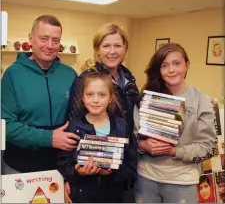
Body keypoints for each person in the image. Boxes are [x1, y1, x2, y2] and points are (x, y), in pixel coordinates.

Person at [65, 22, 139, 203]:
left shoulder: (130, 79)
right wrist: (70, 175)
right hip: (90, 173)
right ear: (97, 49)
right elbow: (74, 126)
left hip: (122, 170)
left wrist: (127, 169)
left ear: (125, 49)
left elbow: (132, 125)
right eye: (106, 45)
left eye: (117, 45)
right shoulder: (86, 79)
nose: (112, 51)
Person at [133, 43, 217, 203]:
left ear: (187, 65)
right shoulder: (145, 97)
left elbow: (208, 148)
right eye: (164, 65)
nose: (171, 70)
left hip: (183, 181)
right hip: (146, 178)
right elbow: (133, 137)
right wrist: (143, 145)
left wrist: (174, 151)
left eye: (177, 63)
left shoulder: (202, 100)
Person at [1, 15, 79, 174]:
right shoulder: (12, 75)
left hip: (61, 166)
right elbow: (6, 125)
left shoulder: (70, 75)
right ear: (30, 38)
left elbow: (80, 117)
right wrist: (49, 138)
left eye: (55, 40)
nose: (50, 46)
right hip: (20, 167)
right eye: (44, 38)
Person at [57, 71, 134, 203]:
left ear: (110, 98)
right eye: (89, 94)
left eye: (102, 95)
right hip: (81, 196)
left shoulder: (122, 126)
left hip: (112, 196)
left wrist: (111, 171)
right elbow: (63, 164)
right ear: (82, 97)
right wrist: (78, 173)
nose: (95, 100)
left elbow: (130, 164)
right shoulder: (73, 127)